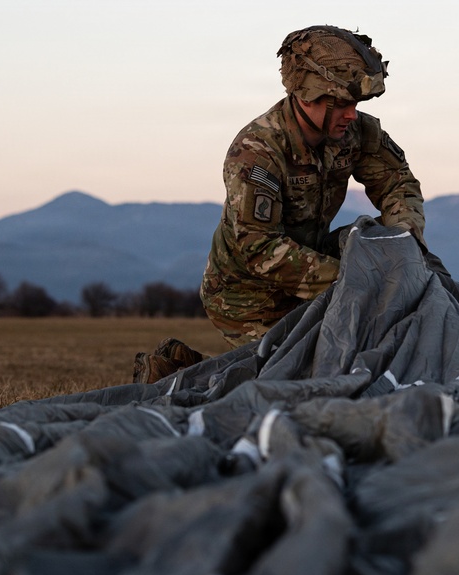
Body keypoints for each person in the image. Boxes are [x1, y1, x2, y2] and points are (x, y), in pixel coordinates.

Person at [133, 25, 428, 383]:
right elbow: (258, 247)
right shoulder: (256, 151)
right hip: (247, 293)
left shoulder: (356, 133)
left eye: (356, 105)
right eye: (342, 104)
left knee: (374, 252)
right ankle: (175, 371)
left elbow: (397, 184)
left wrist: (403, 243)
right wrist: (353, 283)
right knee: (298, 376)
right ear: (308, 97)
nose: (352, 115)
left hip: (311, 258)